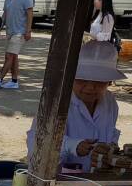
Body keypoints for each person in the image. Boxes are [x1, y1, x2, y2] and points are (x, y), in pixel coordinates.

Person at [26, 41, 125, 172]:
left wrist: (108, 152)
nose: (90, 87)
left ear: (109, 82)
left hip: (96, 181)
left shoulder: (110, 102)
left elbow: (110, 140)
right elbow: (36, 146)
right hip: (56, 181)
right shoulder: (56, 102)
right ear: (71, 77)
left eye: (99, 81)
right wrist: (72, 146)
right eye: (82, 80)